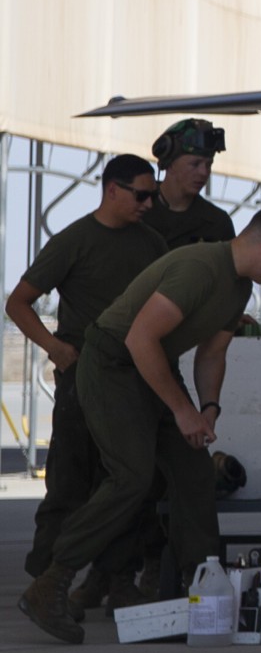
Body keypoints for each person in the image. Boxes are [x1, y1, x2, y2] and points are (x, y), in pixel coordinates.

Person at [16, 209, 261, 645]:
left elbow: (212, 354)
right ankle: (52, 581)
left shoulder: (240, 287)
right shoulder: (199, 268)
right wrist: (181, 410)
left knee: (194, 469)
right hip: (113, 363)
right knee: (131, 476)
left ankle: (204, 584)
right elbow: (139, 339)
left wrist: (208, 408)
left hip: (152, 367)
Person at [4, 155, 167, 614]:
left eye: (153, 196)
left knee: (129, 481)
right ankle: (46, 583)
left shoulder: (152, 244)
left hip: (131, 380)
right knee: (69, 483)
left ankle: (116, 579)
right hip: (80, 380)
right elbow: (18, 303)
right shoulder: (73, 241)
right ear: (112, 189)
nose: (148, 204)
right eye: (141, 195)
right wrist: (54, 347)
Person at [144, 119, 235, 250]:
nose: (204, 172)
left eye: (209, 165)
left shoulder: (217, 223)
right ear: (170, 164)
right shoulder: (137, 208)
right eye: (195, 164)